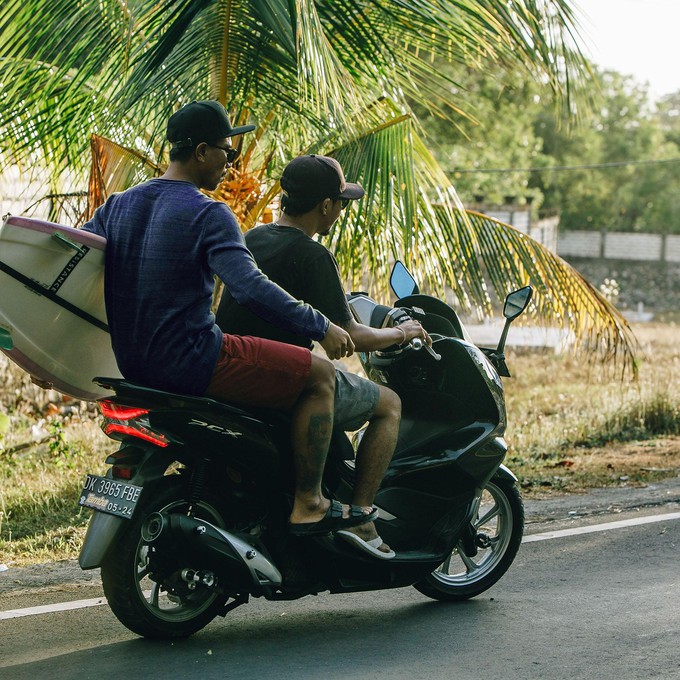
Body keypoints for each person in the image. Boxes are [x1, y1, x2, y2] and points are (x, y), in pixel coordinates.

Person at [81, 101, 377, 538]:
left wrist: (53, 358)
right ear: (201, 152)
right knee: (320, 375)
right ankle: (310, 501)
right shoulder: (208, 213)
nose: (231, 163)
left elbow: (75, 263)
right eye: (227, 152)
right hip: (195, 359)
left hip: (133, 366)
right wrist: (322, 326)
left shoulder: (120, 205)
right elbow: (250, 288)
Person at [216, 154, 429, 559]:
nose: (342, 209)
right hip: (284, 381)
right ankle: (363, 516)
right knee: (389, 405)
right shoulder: (313, 255)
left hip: (234, 369)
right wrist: (402, 333)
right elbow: (351, 335)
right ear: (325, 206)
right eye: (341, 202)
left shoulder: (253, 238)